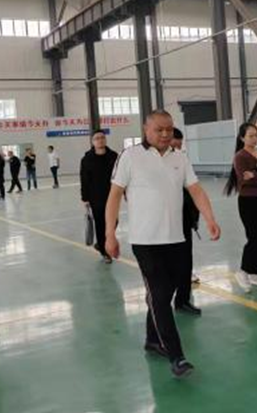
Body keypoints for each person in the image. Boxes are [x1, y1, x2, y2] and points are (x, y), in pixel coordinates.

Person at [105, 110, 221, 379]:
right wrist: (110, 233)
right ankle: (176, 356)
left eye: (169, 129)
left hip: (176, 238)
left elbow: (196, 190)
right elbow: (114, 195)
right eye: (159, 129)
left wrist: (210, 218)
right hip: (145, 241)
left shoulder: (180, 157)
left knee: (164, 294)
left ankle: (152, 339)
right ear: (146, 129)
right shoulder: (130, 156)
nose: (166, 134)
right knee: (158, 296)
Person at [225, 123, 257, 292]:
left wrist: (254, 174)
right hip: (248, 202)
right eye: (251, 136)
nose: (255, 139)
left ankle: (254, 272)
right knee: (255, 237)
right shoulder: (240, 157)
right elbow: (244, 179)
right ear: (242, 138)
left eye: (256, 135)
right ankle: (243, 270)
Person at [170, 127, 201, 315]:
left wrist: (196, 216)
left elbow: (193, 190)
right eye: (175, 144)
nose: (178, 148)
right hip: (165, 221)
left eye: (180, 145)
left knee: (185, 260)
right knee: (166, 263)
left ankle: (182, 300)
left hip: (184, 219)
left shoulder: (182, 161)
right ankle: (161, 304)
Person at [80, 130, 119, 262]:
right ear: (93, 142)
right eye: (97, 138)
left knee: (114, 222)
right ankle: (104, 251)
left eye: (102, 137)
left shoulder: (113, 156)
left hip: (112, 195)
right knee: (100, 224)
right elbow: (84, 179)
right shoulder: (87, 159)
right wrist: (85, 198)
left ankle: (101, 243)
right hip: (95, 197)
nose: (100, 140)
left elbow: (120, 176)